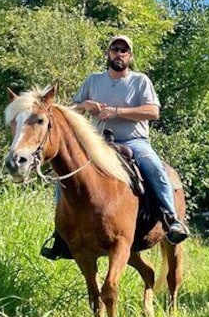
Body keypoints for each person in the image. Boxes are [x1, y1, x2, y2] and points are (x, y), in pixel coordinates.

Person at [40, 34, 189, 260]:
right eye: (115, 49)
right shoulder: (93, 81)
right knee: (65, 176)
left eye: (124, 50)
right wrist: (85, 105)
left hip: (134, 141)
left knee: (154, 168)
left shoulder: (140, 81)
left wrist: (118, 112)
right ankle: (61, 234)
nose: (119, 54)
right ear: (108, 53)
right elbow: (66, 111)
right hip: (97, 144)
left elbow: (153, 111)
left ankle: (170, 218)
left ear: (130, 56)